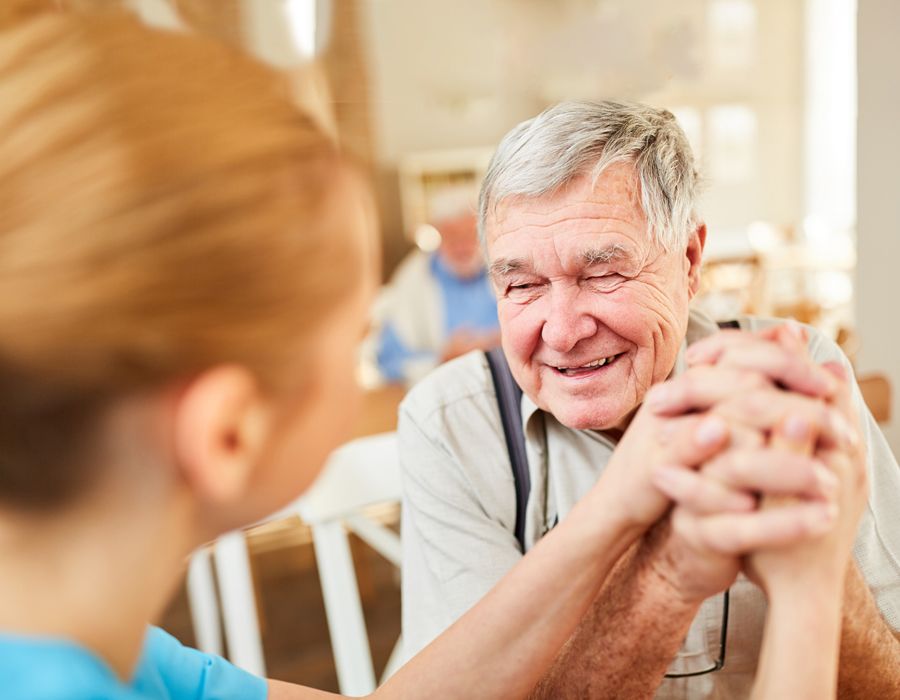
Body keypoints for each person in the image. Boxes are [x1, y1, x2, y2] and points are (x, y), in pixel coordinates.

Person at [0, 5, 851, 700]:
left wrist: (620, 507)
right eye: (356, 336)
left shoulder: (123, 659)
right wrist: (807, 586)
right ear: (227, 434)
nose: (558, 328)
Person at [399, 100, 900, 698]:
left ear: (689, 260)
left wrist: (820, 568)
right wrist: (665, 575)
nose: (561, 331)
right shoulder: (453, 426)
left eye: (603, 274)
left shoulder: (795, 373)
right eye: (523, 284)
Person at [371, 188, 500, 385]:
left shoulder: (505, 268)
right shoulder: (413, 280)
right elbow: (386, 361)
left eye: (468, 234)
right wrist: (441, 359)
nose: (461, 245)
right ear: (438, 233)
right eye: (452, 236)